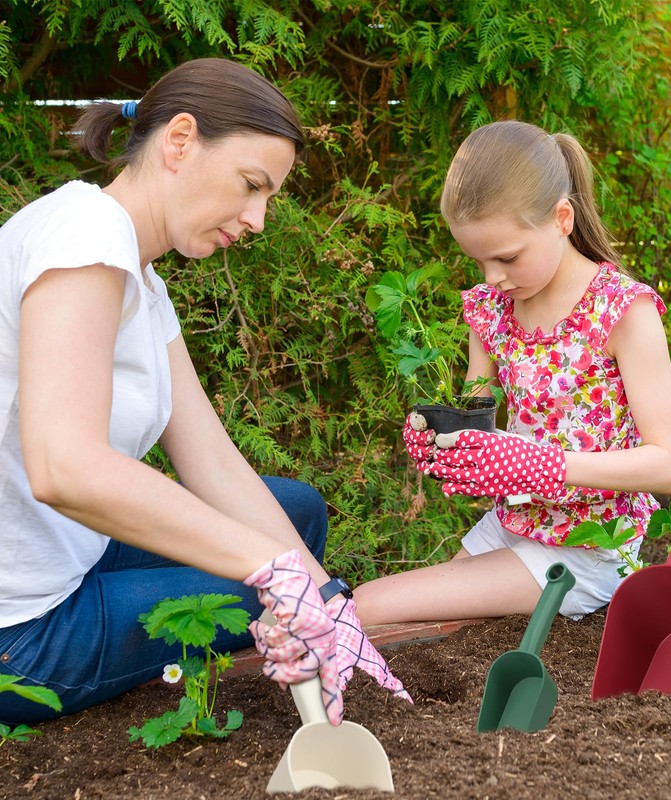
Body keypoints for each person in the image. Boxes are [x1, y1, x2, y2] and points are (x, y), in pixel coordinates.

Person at [0, 58, 409, 727]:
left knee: (294, 514)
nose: (258, 220)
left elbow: (211, 459)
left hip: (72, 557)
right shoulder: (82, 242)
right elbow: (63, 466)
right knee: (259, 578)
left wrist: (328, 597)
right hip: (20, 631)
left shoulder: (138, 270)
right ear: (180, 140)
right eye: (252, 186)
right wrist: (270, 573)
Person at [354, 120, 671, 626]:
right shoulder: (490, 310)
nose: (492, 277)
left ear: (561, 218)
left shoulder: (621, 310)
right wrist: (447, 442)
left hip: (589, 547)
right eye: (478, 260)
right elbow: (482, 427)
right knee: (401, 619)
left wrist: (550, 466)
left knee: (368, 605)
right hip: (515, 522)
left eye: (507, 257)